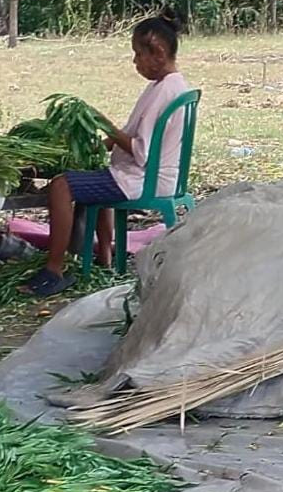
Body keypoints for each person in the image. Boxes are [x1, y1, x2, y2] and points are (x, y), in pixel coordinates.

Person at [26, 16, 190, 295]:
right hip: (153, 174)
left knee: (60, 186)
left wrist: (104, 124)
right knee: (94, 180)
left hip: (146, 178)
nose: (135, 62)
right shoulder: (172, 86)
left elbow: (141, 151)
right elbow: (134, 137)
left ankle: (54, 270)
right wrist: (102, 143)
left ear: (159, 54)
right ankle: (105, 257)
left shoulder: (163, 92)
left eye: (138, 54)